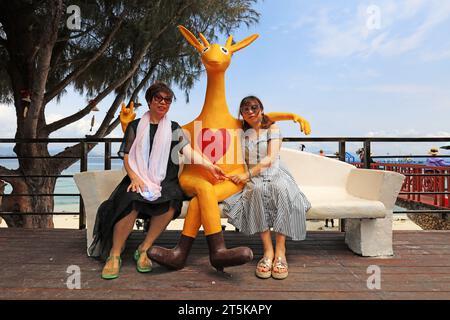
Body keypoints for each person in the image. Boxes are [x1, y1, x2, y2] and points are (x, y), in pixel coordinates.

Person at [90, 82, 225, 280]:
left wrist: (210, 166)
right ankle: (115, 254)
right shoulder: (135, 126)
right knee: (131, 199)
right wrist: (135, 177)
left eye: (167, 100)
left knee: (172, 201)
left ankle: (144, 249)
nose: (163, 103)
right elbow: (127, 156)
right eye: (158, 98)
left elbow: (189, 152)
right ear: (150, 101)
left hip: (165, 181)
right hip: (137, 177)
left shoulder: (173, 128)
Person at [222, 96, 311, 280]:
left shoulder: (273, 128)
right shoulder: (241, 130)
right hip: (255, 178)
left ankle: (280, 250)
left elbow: (271, 159)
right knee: (256, 192)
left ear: (261, 109)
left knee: (281, 190)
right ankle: (267, 251)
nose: (250, 112)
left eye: (254, 108)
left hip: (275, 173)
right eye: (245, 109)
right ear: (242, 114)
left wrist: (293, 116)